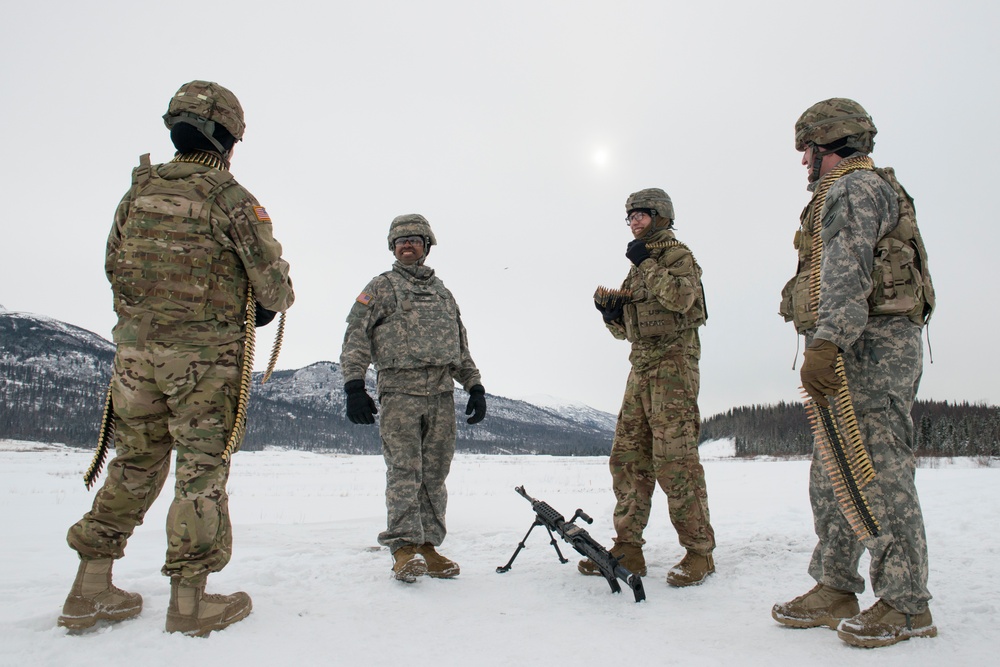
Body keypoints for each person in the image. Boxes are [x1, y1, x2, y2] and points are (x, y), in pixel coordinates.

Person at [58, 80, 294, 636]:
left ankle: (89, 589)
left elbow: (115, 265)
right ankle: (190, 604)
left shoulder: (135, 193)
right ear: (228, 137)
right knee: (201, 473)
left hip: (136, 360)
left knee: (134, 461)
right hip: (204, 366)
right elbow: (276, 291)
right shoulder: (231, 199)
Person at [773, 98, 936, 648]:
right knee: (833, 471)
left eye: (808, 152)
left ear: (832, 146)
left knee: (877, 470)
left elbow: (847, 270)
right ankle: (835, 586)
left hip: (870, 350)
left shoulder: (854, 187)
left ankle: (906, 603)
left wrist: (827, 340)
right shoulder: (853, 190)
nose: (804, 164)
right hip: (852, 346)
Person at [340, 214, 486, 583]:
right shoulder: (381, 287)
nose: (407, 245)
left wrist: (474, 386)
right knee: (406, 471)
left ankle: (428, 547)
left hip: (440, 394)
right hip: (399, 392)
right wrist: (354, 386)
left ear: (427, 246)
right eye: (400, 241)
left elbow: (459, 346)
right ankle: (404, 547)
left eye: (414, 240)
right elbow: (356, 336)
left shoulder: (443, 294)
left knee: (435, 474)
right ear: (392, 247)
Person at [583, 188, 715, 586]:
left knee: (676, 462)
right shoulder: (637, 268)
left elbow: (679, 298)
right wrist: (611, 315)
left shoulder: (678, 257)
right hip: (640, 370)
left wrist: (649, 265)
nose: (634, 221)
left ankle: (699, 553)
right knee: (628, 458)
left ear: (660, 216)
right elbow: (630, 331)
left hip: (673, 370)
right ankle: (628, 547)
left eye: (641, 214)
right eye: (630, 217)